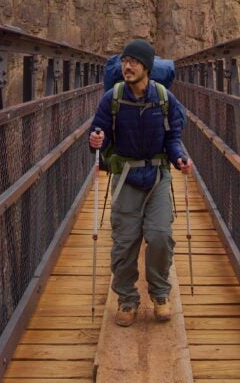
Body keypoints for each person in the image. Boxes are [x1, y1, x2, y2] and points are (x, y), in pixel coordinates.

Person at [89, 38, 193, 327]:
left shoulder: (163, 97)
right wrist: (95, 139)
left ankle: (160, 294)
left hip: (158, 176)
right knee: (125, 243)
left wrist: (180, 157)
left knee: (160, 236)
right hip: (125, 178)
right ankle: (126, 299)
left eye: (133, 61)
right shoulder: (112, 98)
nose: (127, 66)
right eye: (124, 61)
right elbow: (99, 134)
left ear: (146, 67)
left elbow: (173, 137)